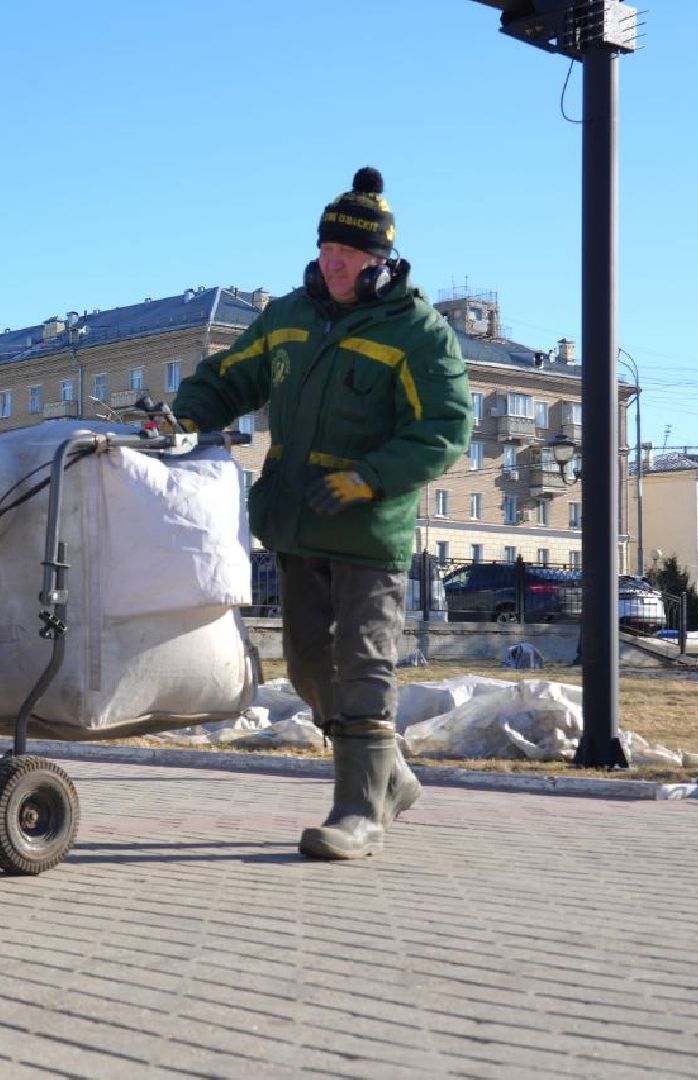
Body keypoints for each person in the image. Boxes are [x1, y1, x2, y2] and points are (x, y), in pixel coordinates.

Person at [171, 167, 473, 859]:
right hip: (295, 518)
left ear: (379, 262)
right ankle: (388, 773)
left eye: (349, 255)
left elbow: (444, 429)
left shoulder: (418, 333)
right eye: (326, 250)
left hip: (368, 528)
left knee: (363, 662)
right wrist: (182, 416)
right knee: (308, 665)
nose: (333, 263)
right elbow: (230, 378)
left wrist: (369, 479)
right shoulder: (289, 316)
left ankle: (357, 810)